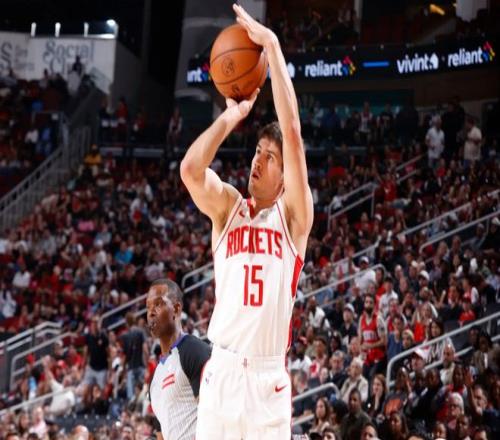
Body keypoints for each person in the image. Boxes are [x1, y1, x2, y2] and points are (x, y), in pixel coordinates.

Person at [181, 4, 313, 439]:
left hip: (266, 379)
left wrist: (271, 46)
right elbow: (191, 171)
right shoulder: (228, 209)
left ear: (285, 176)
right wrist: (231, 116)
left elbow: (292, 133)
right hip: (221, 371)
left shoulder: (293, 218)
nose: (258, 160)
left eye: (270, 157)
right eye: (258, 151)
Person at [146, 278, 211, 439]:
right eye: (148, 307)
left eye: (158, 304)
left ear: (176, 309)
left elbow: (215, 415)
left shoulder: (194, 351)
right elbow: (161, 435)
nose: (151, 312)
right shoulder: (154, 378)